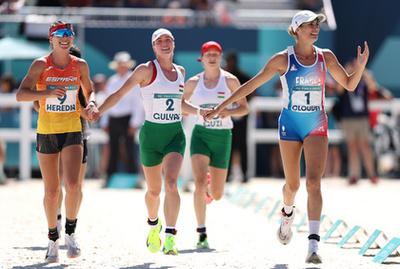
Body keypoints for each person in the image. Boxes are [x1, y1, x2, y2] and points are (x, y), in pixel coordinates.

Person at [205, 10, 370, 264]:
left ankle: (313, 245)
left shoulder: (326, 57)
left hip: (316, 122)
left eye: (317, 24)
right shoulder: (283, 59)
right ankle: (287, 213)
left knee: (313, 183)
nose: (315, 28)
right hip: (290, 125)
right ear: (296, 29)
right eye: (309, 25)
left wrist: (360, 68)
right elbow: (250, 86)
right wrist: (220, 106)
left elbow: (348, 85)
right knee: (292, 186)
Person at [90, 28, 206, 255]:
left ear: (173, 44)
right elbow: (119, 94)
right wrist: (99, 111)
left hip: (174, 134)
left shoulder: (180, 71)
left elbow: (180, 103)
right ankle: (154, 225)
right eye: (159, 41)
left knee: (171, 184)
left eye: (168, 40)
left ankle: (171, 237)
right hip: (151, 134)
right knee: (154, 191)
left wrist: (201, 112)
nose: (164, 44)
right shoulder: (145, 69)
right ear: (153, 47)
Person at [16, 21, 99, 263]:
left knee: (73, 186)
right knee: (52, 192)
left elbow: (89, 90)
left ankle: (71, 233)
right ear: (51, 39)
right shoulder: (41, 64)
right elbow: (21, 94)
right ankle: (53, 237)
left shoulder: (80, 65)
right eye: (60, 34)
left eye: (69, 34)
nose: (65, 38)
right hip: (47, 132)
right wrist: (46, 94)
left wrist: (91, 103)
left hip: (73, 129)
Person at [184, 41, 248, 248]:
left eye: (215, 54)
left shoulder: (230, 81)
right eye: (208, 54)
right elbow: (181, 106)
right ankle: (202, 233)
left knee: (217, 195)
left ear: (221, 58)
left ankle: (211, 185)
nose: (211, 57)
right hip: (200, 135)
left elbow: (244, 108)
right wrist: (192, 111)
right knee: (199, 184)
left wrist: (227, 111)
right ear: (201, 59)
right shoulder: (193, 82)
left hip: (222, 136)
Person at [32, 45, 91, 240]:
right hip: (53, 129)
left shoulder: (80, 74)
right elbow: (34, 101)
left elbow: (90, 98)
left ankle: (71, 222)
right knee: (54, 183)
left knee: (75, 185)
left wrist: (89, 108)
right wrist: (45, 100)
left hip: (78, 130)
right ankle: (56, 218)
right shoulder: (49, 72)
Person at [99, 51, 144, 187]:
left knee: (129, 148)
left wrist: (134, 123)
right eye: (120, 64)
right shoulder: (112, 81)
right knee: (112, 147)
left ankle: (133, 177)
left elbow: (138, 102)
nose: (122, 66)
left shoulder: (133, 79)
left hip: (127, 118)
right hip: (114, 118)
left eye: (124, 64)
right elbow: (108, 101)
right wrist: (105, 122)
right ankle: (109, 176)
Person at [337, 59, 380, 184]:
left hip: (362, 117)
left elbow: (373, 88)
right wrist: (346, 72)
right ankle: (354, 174)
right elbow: (339, 89)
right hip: (348, 117)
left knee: (365, 146)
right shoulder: (346, 79)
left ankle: (372, 174)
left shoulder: (363, 80)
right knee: (352, 147)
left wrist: (364, 71)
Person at [223, 50, 253, 183]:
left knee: (242, 145)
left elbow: (252, 93)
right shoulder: (223, 77)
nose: (230, 63)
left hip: (241, 117)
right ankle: (227, 174)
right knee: (227, 144)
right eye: (228, 60)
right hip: (226, 116)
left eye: (232, 60)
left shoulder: (243, 76)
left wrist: (240, 105)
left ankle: (245, 174)